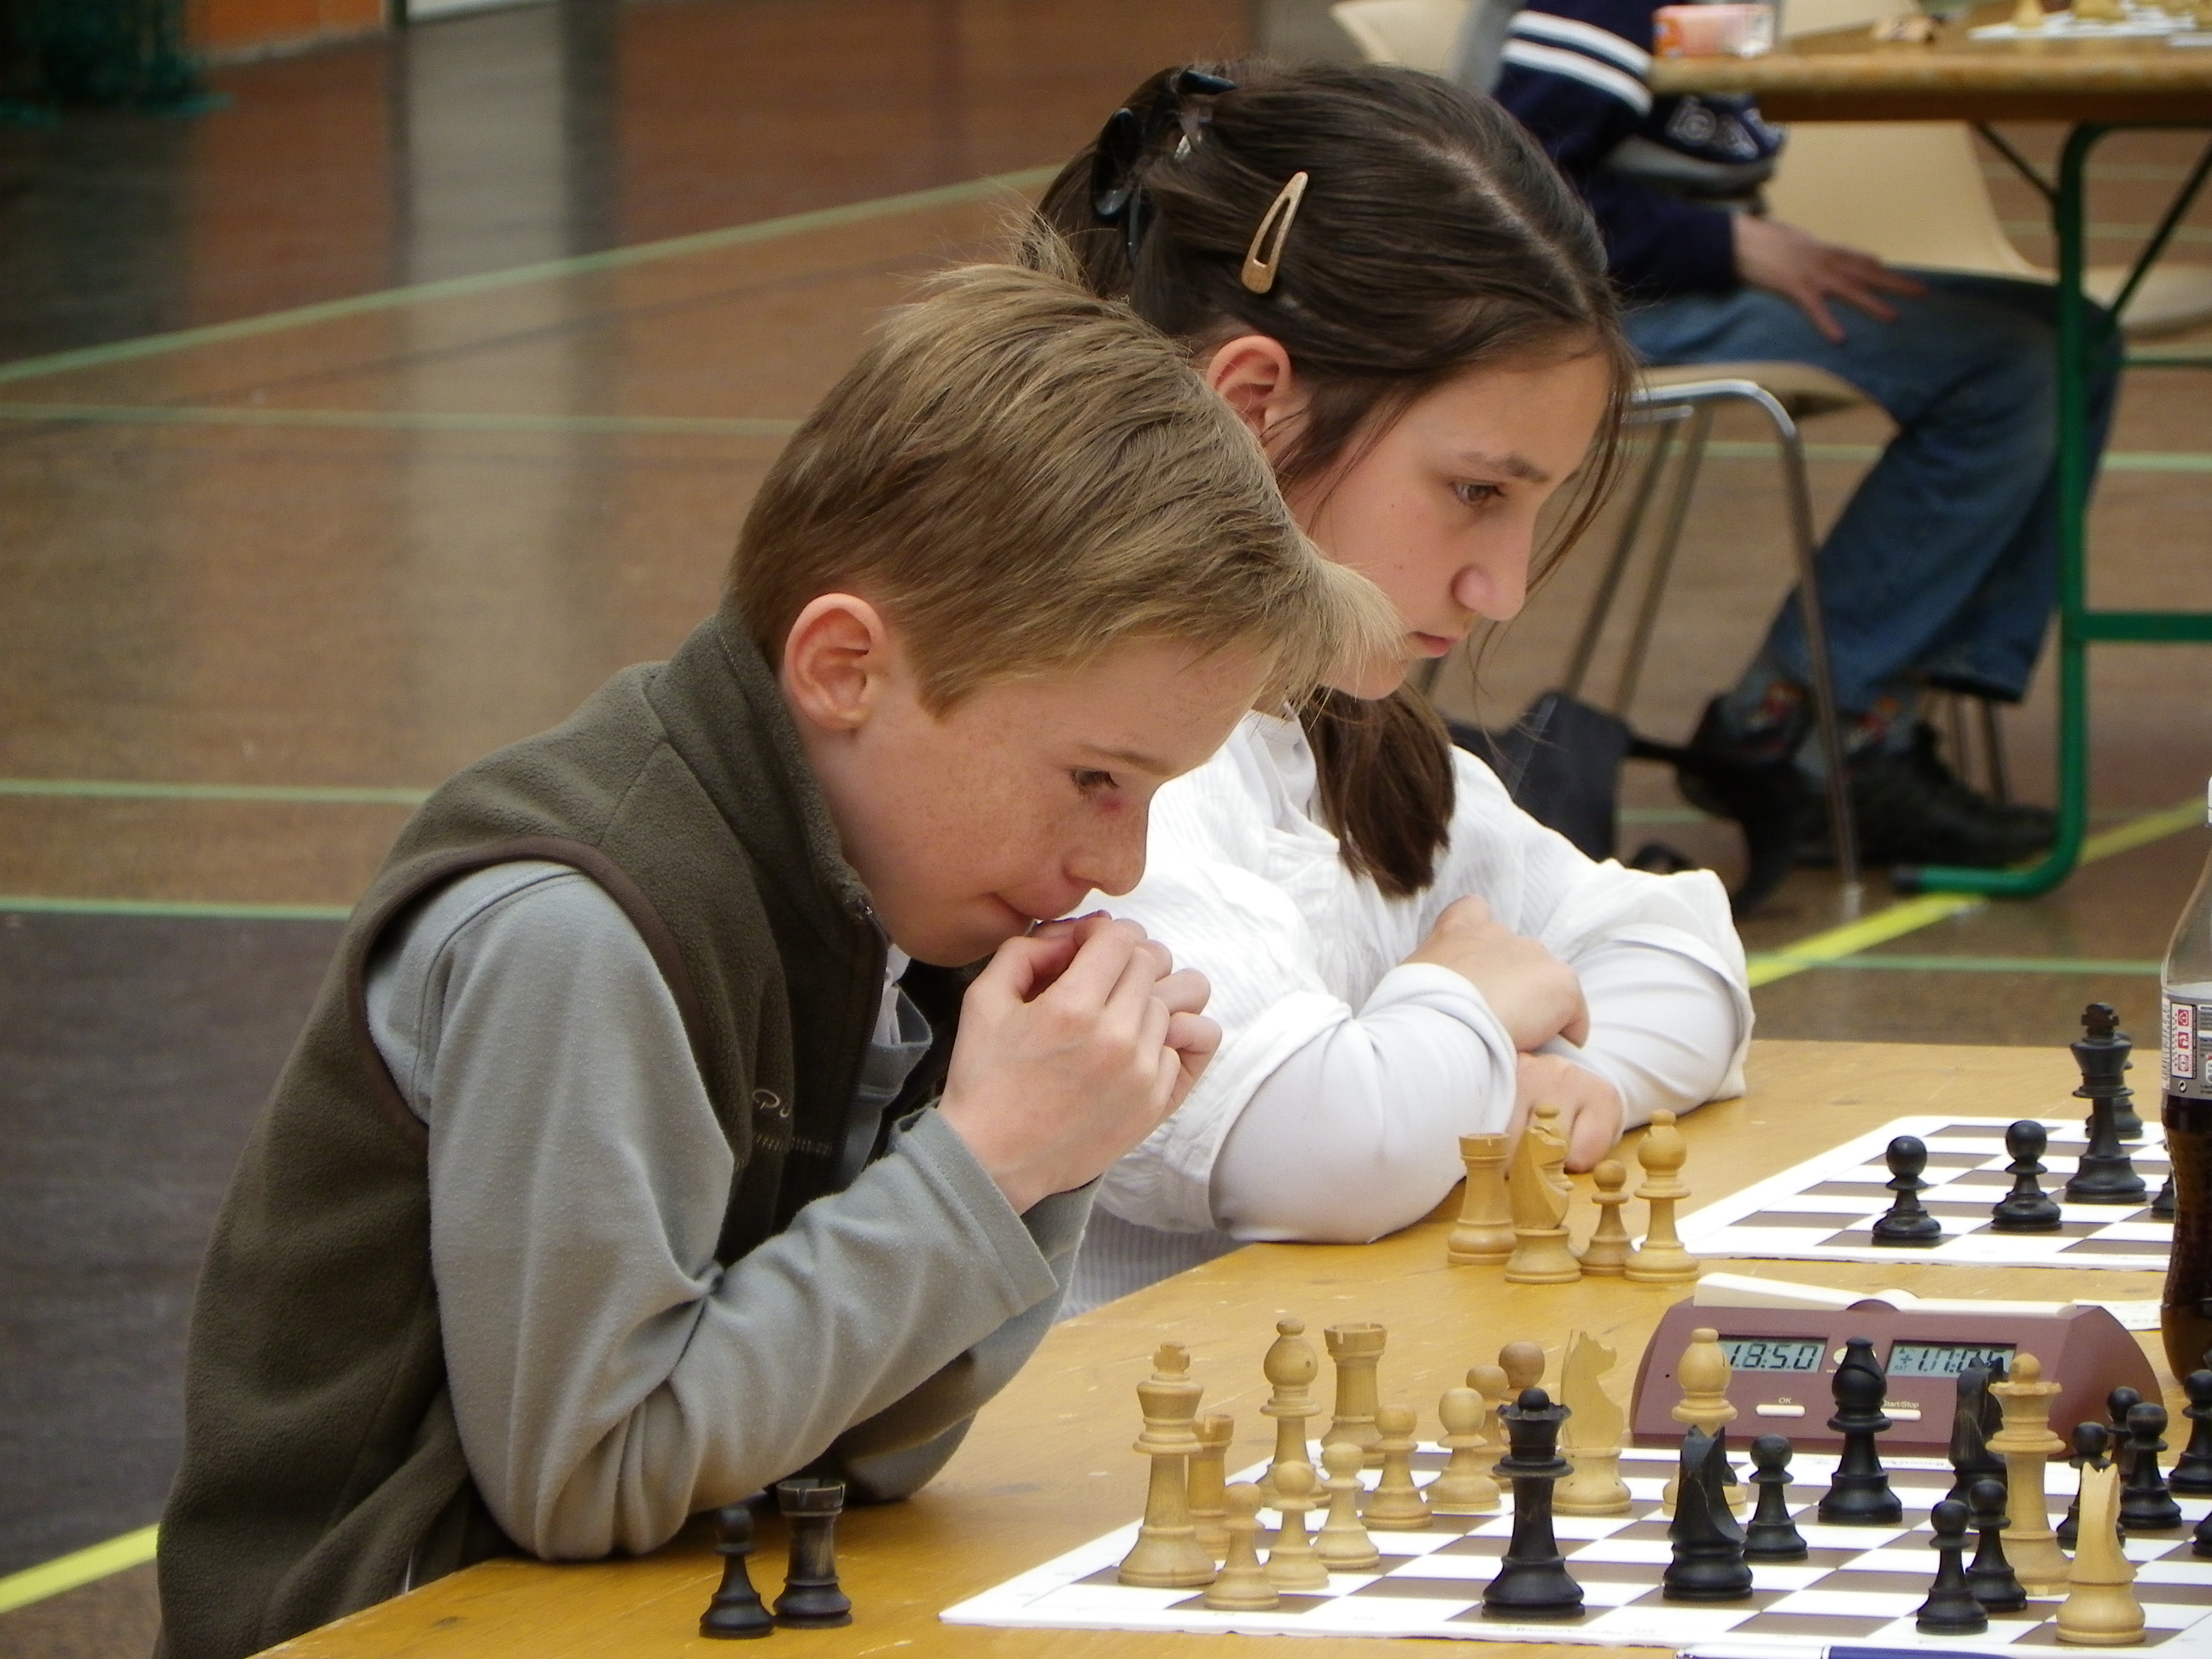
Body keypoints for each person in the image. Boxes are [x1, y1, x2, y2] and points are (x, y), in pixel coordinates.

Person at [154, 261, 1390, 1659]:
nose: (1119, 862)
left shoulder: (885, 895)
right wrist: (988, 1165)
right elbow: (591, 1473)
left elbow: (867, 1447)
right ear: (844, 667)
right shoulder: (578, 932)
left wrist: (1044, 1160)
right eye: (1097, 776)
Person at [1029, 63, 1752, 1316]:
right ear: (1254, 408)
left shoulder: (1333, 734)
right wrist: (1466, 1009)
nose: (1502, 588)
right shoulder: (1088, 757)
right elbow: (1321, 1153)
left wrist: (1557, 1086)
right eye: (1476, 491)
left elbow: (1683, 959)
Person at [1482, 0, 2120, 873]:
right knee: (2011, 367)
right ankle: (1794, 727)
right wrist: (1725, 244)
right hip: (1608, 302)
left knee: (2078, 339)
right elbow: (1514, 192)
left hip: (1693, 276)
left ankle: (1864, 721)